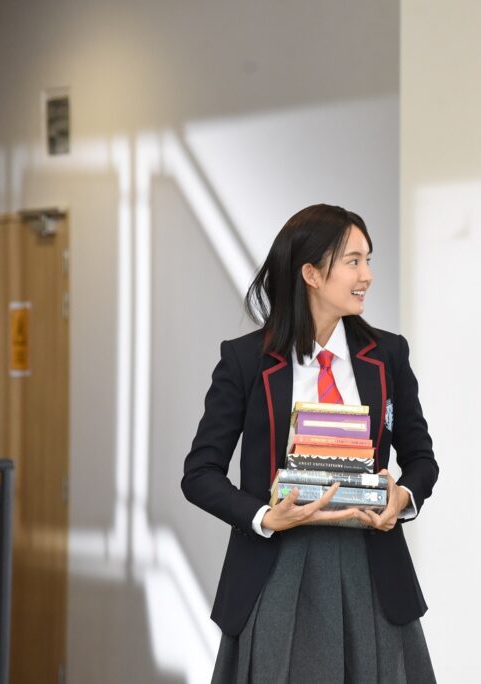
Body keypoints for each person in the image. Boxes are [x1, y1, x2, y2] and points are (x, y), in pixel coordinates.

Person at [182, 204, 438, 682]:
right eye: (353, 261)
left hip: (373, 567)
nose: (367, 275)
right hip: (276, 569)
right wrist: (263, 516)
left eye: (368, 260)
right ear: (311, 274)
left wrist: (402, 498)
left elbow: (422, 459)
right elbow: (199, 475)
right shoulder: (245, 361)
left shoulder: (388, 354)